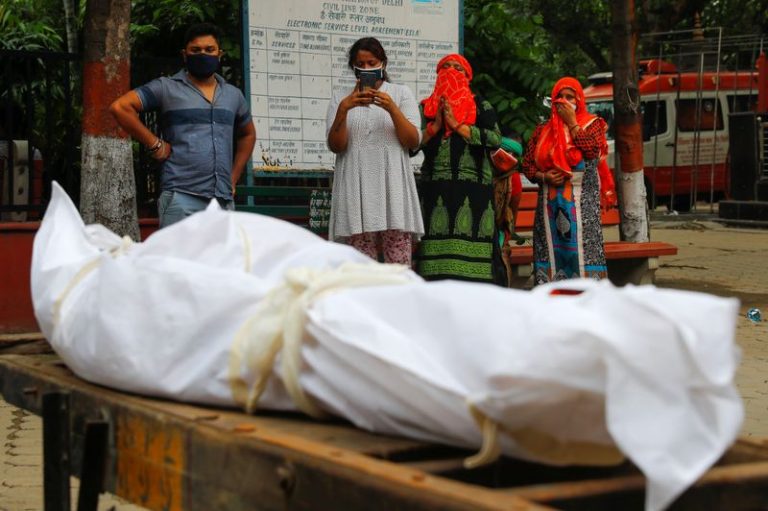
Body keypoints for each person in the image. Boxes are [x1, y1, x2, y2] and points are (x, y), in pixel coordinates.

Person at [110, 22, 256, 228]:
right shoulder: (166, 88)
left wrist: (233, 178)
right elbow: (121, 107)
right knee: (176, 251)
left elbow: (248, 134)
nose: (203, 54)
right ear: (185, 55)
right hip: (181, 197)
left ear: (219, 54)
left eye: (209, 50)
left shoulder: (233, 95)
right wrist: (155, 144)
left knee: (220, 251)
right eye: (196, 50)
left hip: (222, 201)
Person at [325, 37, 423, 265]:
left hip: (393, 191)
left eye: (372, 63)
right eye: (361, 64)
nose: (366, 68)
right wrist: (344, 109)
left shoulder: (400, 93)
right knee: (360, 266)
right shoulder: (341, 98)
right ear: (353, 67)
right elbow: (336, 146)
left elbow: (412, 141)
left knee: (398, 266)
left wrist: (391, 108)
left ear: (383, 64)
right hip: (355, 191)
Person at [415, 54, 503, 284]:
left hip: (474, 192)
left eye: (458, 68)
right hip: (435, 190)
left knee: (474, 264)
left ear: (468, 77)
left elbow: (495, 139)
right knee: (434, 263)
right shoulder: (425, 107)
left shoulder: (480, 105)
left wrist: (457, 126)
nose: (452, 71)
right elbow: (411, 146)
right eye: (446, 67)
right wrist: (435, 126)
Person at [521, 77, 609, 285]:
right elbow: (527, 165)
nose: (564, 101)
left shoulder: (592, 124)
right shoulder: (543, 129)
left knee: (585, 254)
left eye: (570, 97)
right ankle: (551, 295)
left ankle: (588, 297)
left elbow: (591, 151)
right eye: (559, 97)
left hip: (582, 207)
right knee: (550, 252)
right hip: (549, 205)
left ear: (579, 100)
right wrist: (544, 176)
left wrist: (572, 123)